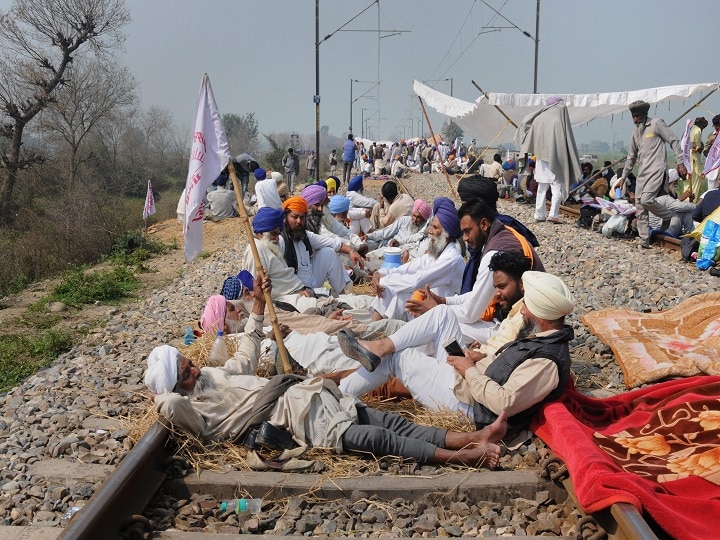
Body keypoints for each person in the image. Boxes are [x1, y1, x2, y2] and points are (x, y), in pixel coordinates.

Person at [144, 296, 507, 467]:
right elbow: (171, 406)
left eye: (189, 363)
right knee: (376, 439)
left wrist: (255, 316)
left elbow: (244, 359)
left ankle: (471, 438)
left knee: (388, 421)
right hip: (294, 419)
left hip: (307, 392)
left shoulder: (213, 374)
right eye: (185, 374)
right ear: (175, 386)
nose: (194, 370)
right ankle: (463, 458)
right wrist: (161, 394)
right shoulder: (193, 409)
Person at [337, 271, 573, 439]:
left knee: (399, 358)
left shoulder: (547, 361)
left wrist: (468, 369)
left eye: (527, 306)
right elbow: (511, 368)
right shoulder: (542, 337)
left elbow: (505, 403)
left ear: (542, 313)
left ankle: (336, 398)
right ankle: (380, 347)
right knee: (442, 315)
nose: (521, 310)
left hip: (468, 405)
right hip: (468, 382)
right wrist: (481, 358)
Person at [407, 199, 543, 344]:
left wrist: (436, 308)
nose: (465, 238)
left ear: (484, 224)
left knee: (439, 323)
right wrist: (444, 301)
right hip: (519, 319)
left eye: (467, 231)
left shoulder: (494, 253)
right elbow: (478, 294)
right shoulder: (501, 233)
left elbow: (470, 313)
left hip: (527, 329)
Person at [370, 197, 465, 321]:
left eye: (435, 228)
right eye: (431, 226)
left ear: (447, 234)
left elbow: (417, 280)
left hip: (439, 312)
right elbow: (410, 267)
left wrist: (385, 281)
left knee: (398, 291)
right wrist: (383, 272)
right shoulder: (437, 251)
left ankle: (376, 329)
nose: (430, 231)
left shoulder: (451, 258)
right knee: (396, 290)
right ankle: (373, 328)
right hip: (425, 303)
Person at [616, 100, 688, 249]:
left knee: (647, 200)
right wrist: (623, 177)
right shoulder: (635, 131)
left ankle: (668, 215)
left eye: (638, 116)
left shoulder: (656, 124)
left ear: (644, 114)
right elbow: (631, 156)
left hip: (657, 169)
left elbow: (674, 141)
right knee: (640, 207)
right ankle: (644, 241)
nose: (635, 119)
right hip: (642, 172)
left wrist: (680, 161)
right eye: (633, 116)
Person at [515, 97, 582, 224]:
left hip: (541, 159)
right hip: (555, 159)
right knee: (557, 186)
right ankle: (553, 214)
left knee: (542, 187)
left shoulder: (539, 118)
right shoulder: (558, 118)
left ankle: (539, 214)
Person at [281, 196, 364, 295]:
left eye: (302, 217)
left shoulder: (305, 235)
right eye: (295, 217)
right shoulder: (282, 240)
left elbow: (331, 242)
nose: (299, 221)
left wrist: (351, 251)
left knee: (328, 253)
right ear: (285, 218)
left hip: (312, 281)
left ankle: (343, 294)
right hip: (296, 290)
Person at [648, 169, 695, 237]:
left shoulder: (672, 195)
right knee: (686, 210)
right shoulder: (663, 196)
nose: (677, 184)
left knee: (686, 209)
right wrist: (697, 206)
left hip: (662, 224)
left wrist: (690, 200)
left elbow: (677, 205)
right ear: (669, 183)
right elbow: (680, 206)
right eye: (675, 182)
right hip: (659, 227)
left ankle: (691, 233)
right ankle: (691, 234)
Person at [688, 117, 708, 202]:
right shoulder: (698, 130)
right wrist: (698, 148)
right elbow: (698, 146)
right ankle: (693, 199)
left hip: (688, 156)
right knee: (696, 178)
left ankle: (687, 199)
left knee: (688, 180)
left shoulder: (690, 129)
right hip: (694, 157)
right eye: (703, 127)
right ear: (701, 125)